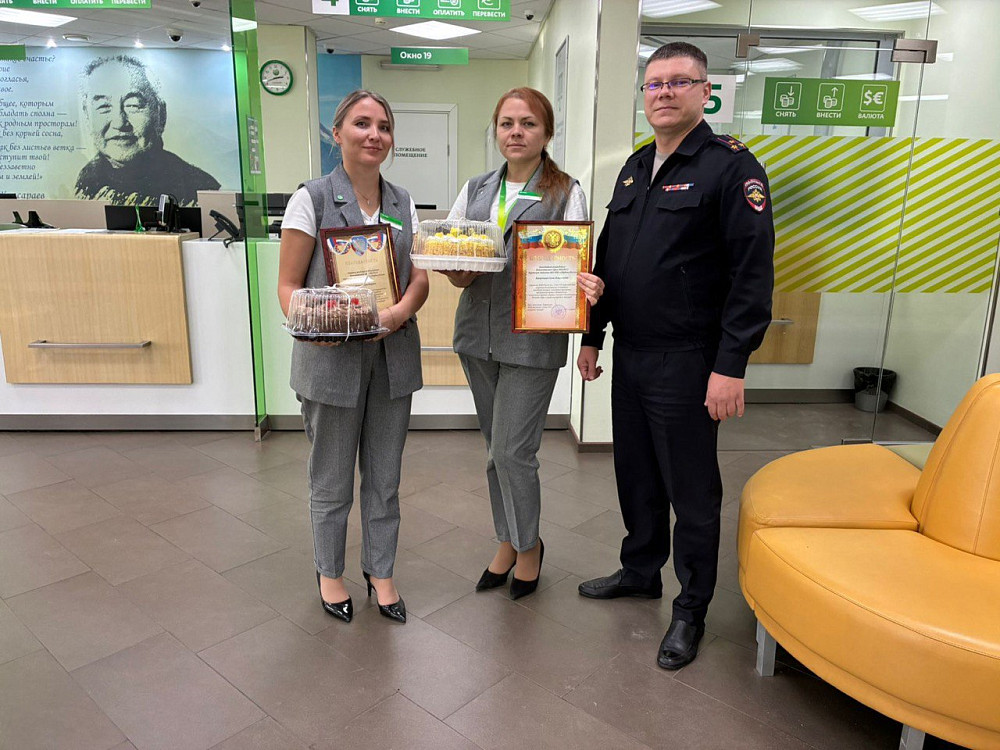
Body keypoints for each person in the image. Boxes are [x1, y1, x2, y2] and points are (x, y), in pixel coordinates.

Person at [576, 42, 774, 669]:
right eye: (654, 83)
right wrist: (592, 334)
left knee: (691, 491)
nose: (664, 92)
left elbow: (752, 277)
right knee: (635, 474)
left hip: (690, 360)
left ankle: (691, 608)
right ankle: (640, 571)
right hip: (632, 354)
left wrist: (731, 365)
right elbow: (610, 262)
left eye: (679, 82)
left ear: (705, 92)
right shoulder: (635, 166)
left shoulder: (731, 168)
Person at [441, 87, 604, 600]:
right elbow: (454, 253)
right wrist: (455, 268)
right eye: (507, 123)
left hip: (533, 340)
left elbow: (579, 261)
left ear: (546, 133)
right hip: (477, 335)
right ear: (496, 130)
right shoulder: (475, 189)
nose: (516, 132)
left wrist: (588, 286)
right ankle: (507, 540)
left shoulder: (566, 191)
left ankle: (529, 546)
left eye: (528, 123)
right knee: (495, 450)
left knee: (514, 450)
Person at [278, 89, 429, 625]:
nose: (374, 135)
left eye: (384, 126)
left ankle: (381, 571)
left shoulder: (403, 202)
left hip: (393, 356)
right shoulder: (312, 199)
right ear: (337, 133)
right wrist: (316, 323)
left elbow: (419, 279)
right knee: (332, 478)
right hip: (331, 360)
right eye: (362, 124)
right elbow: (288, 286)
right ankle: (330, 572)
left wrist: (397, 314)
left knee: (385, 478)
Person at [75, 55, 220, 206]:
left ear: (161, 115)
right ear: (87, 117)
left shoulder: (196, 189)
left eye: (133, 105)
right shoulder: (86, 181)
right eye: (104, 107)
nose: (119, 122)